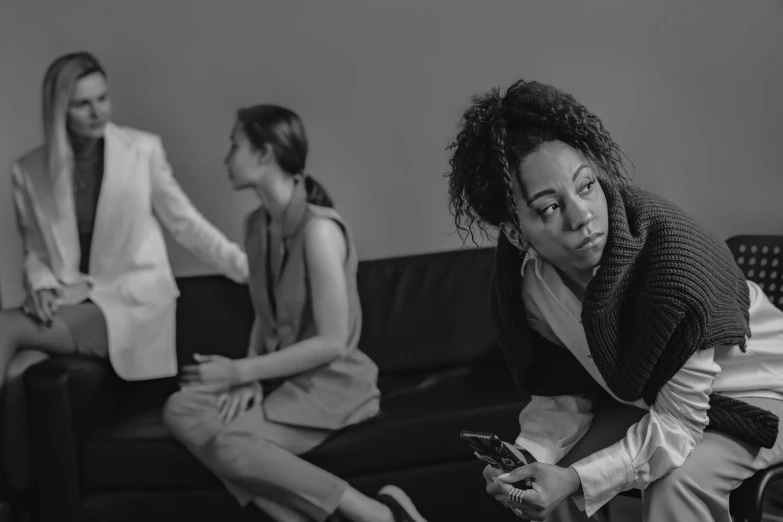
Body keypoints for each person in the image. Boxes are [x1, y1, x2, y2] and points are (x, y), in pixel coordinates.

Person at [444, 79, 783, 522]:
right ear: (514, 233)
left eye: (586, 186)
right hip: (652, 401)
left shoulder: (675, 265)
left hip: (758, 390)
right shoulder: (528, 289)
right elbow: (564, 390)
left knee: (675, 486)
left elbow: (679, 425)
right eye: (550, 208)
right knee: (548, 486)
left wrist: (578, 479)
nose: (582, 216)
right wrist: (528, 452)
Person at [163, 105, 426, 522]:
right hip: (283, 381)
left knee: (229, 445)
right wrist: (252, 375)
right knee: (180, 408)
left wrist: (241, 373)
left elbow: (332, 342)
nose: (227, 158)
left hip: (333, 384)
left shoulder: (320, 231)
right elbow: (263, 315)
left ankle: (379, 515)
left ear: (265, 154)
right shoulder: (255, 226)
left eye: (235, 145)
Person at [1, 51, 249, 494]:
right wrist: (39, 284)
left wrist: (248, 269)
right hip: (72, 301)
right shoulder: (29, 171)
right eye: (83, 103)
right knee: (19, 372)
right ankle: (19, 501)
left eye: (103, 98)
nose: (98, 111)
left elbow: (185, 224)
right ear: (59, 109)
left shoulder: (142, 150)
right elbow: (35, 248)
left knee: (3, 327)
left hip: (131, 303)